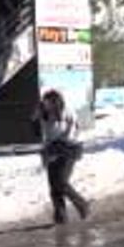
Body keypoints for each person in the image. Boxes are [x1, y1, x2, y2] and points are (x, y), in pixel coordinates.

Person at [33, 90, 90, 225]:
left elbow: (69, 135)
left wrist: (55, 146)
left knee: (61, 182)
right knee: (54, 186)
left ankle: (83, 205)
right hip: (52, 149)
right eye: (44, 101)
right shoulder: (44, 113)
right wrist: (35, 119)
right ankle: (61, 217)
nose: (45, 104)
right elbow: (38, 134)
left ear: (55, 102)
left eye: (47, 102)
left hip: (70, 149)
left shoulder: (66, 112)